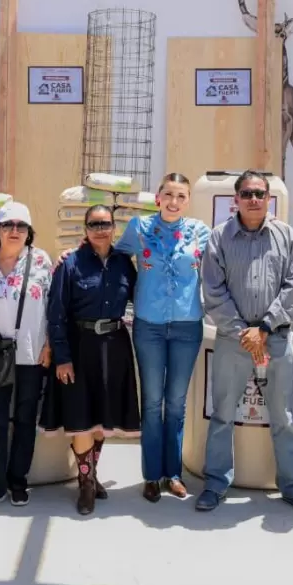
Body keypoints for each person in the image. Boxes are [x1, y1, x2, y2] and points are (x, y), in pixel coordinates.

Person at [57, 173, 211, 502]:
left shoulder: (201, 232)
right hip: (150, 327)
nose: (174, 201)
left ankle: (173, 474)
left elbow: (219, 268)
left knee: (177, 405)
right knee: (152, 403)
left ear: (188, 200)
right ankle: (152, 476)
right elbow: (106, 251)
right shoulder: (139, 229)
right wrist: (72, 254)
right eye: (168, 194)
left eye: (181, 196)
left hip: (187, 327)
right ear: (158, 197)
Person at [196, 170, 293, 516]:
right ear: (236, 198)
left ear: (268, 198)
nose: (253, 200)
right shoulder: (219, 238)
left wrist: (263, 328)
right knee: (222, 414)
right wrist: (243, 332)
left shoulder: (285, 236)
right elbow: (213, 291)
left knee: (285, 417)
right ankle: (216, 483)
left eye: (259, 194)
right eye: (246, 193)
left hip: (276, 339)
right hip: (233, 342)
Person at [40, 204, 140, 515]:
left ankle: (91, 474)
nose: (100, 229)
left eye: (106, 223)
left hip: (114, 347)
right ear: (85, 229)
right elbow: (56, 315)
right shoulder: (70, 264)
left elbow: (141, 298)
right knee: (80, 417)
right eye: (94, 224)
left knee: (101, 418)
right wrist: (63, 358)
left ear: (114, 228)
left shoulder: (125, 264)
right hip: (79, 347)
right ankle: (85, 484)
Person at [0, 201, 53, 514]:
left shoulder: (40, 260)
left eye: (21, 226)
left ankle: (18, 481)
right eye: (8, 225)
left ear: (29, 231)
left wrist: (50, 344)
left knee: (24, 420)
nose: (14, 231)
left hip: (32, 353)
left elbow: (52, 304)